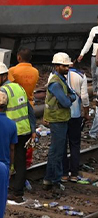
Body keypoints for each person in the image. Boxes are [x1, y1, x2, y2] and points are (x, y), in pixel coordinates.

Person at [0, 64, 34, 201]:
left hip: (10, 131)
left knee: (5, 159)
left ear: (4, 76)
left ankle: (3, 187)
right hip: (24, 130)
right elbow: (30, 110)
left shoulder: (3, 91)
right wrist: (33, 130)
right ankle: (17, 192)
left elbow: (0, 113)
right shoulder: (19, 87)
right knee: (20, 161)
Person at [43, 52, 77, 193]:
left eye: (68, 65)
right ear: (57, 66)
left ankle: (49, 179)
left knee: (56, 151)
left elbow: (73, 95)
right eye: (64, 66)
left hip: (61, 119)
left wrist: (70, 97)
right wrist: (69, 99)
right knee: (57, 152)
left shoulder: (61, 79)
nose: (67, 68)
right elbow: (66, 101)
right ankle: (54, 180)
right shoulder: (56, 83)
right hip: (57, 119)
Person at [63, 63, 89, 182]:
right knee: (75, 144)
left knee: (62, 144)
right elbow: (84, 97)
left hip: (61, 116)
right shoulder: (80, 75)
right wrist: (86, 112)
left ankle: (63, 173)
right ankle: (74, 174)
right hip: (75, 115)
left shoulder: (55, 75)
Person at [76, 14, 98, 99]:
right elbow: (89, 43)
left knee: (97, 73)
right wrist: (82, 53)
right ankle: (95, 90)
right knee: (94, 73)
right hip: (94, 56)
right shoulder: (94, 30)